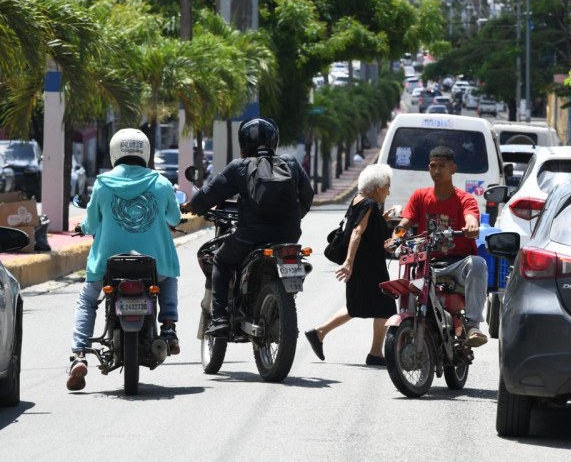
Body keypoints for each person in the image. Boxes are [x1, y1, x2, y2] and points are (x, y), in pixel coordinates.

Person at [67, 128, 182, 391]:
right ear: (146, 152)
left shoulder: (103, 184)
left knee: (87, 300)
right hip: (153, 265)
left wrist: (83, 228)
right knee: (168, 279)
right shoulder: (162, 183)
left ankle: (79, 354)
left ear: (114, 152)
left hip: (109, 266)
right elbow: (174, 219)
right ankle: (168, 328)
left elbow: (91, 222)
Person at [180, 118, 313, 335]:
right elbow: (307, 197)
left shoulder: (239, 167)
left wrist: (191, 206)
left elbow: (210, 194)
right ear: (274, 142)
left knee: (221, 261)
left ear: (243, 143)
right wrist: (293, 220)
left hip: (250, 237)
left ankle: (220, 317)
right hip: (288, 235)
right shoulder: (290, 163)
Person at [392, 145, 488, 347]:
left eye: (442, 166)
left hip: (458, 263)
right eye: (433, 166)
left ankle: (472, 325)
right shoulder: (420, 196)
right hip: (427, 263)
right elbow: (405, 221)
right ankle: (407, 324)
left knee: (478, 263)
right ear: (428, 168)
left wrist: (471, 225)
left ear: (453, 168)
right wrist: (396, 235)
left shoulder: (465, 199)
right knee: (406, 282)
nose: (437, 171)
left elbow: (471, 216)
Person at [304, 164, 396, 366]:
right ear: (378, 187)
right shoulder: (370, 204)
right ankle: (375, 354)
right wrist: (348, 263)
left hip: (365, 264)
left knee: (357, 306)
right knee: (384, 306)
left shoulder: (359, 201)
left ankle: (319, 333)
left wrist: (383, 219)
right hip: (367, 265)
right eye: (387, 186)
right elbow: (356, 232)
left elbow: (363, 228)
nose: (389, 191)